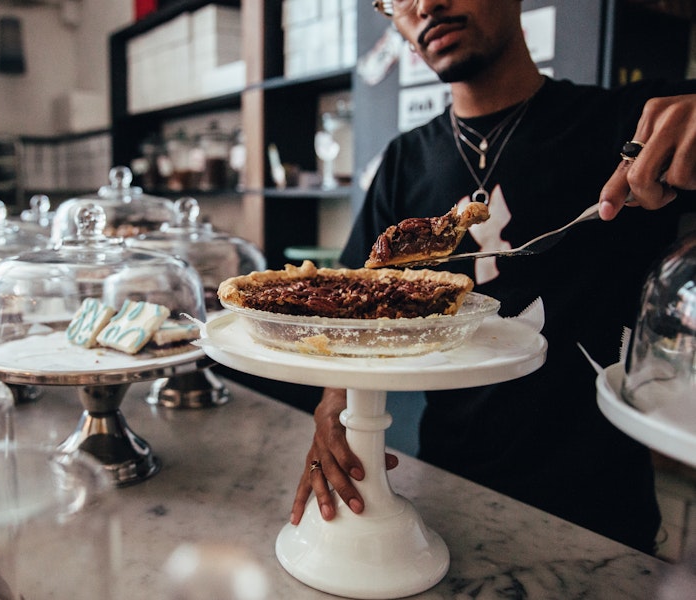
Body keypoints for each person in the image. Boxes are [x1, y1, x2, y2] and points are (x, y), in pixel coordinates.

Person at [290, 0, 696, 555]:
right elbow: (353, 305)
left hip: (600, 508)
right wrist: (331, 402)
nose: (425, 5)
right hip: (447, 491)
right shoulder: (405, 159)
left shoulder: (627, 127)